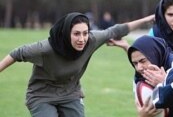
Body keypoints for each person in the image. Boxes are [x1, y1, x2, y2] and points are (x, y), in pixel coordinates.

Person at [0, 12, 154, 117]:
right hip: (41, 96)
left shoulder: (91, 40)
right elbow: (16, 53)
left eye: (85, 33)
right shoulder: (46, 48)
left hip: (70, 94)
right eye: (76, 34)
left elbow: (117, 30)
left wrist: (147, 20)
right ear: (67, 33)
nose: (82, 39)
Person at [108, 36, 173, 117]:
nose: (139, 68)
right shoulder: (140, 77)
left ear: (154, 54)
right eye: (135, 63)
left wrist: (166, 84)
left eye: (142, 61)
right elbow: (141, 108)